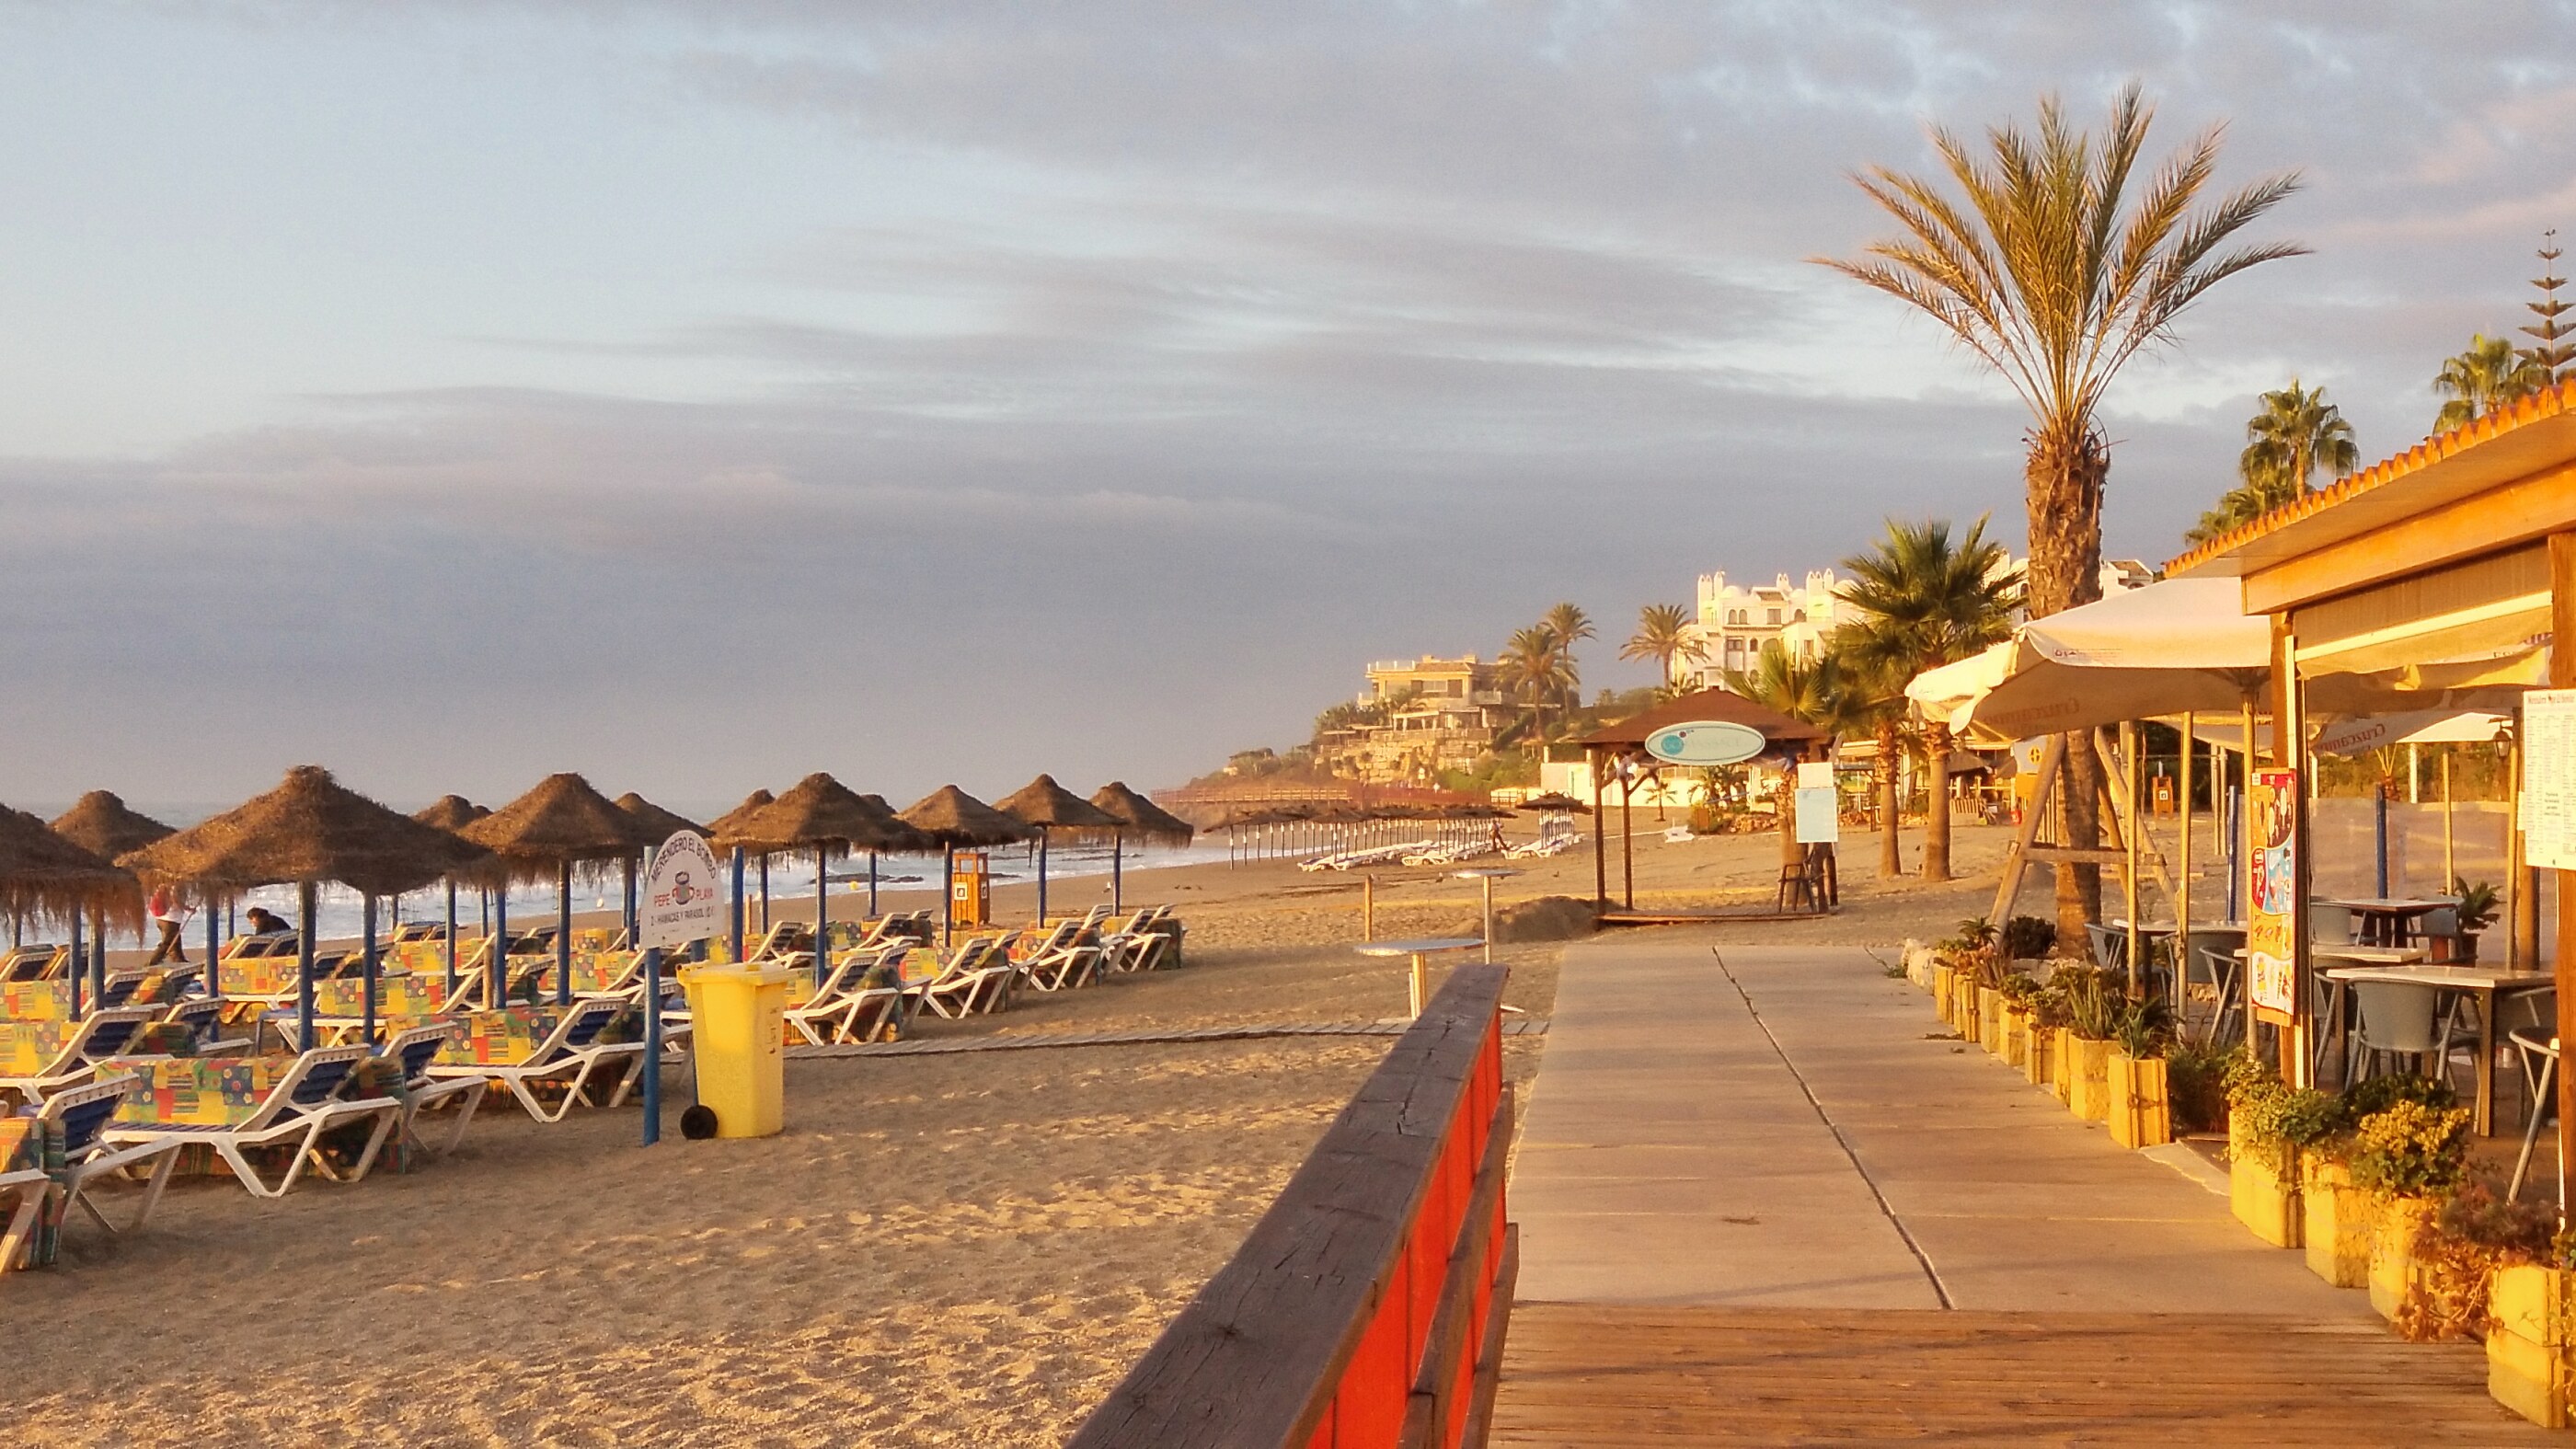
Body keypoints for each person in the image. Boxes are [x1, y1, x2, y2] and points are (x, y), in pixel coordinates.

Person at [145, 885, 191, 965]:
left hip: (164, 920)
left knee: (175, 942)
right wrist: (188, 909)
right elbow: (175, 901)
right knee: (167, 943)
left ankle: (179, 960)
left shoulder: (164, 886)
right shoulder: (173, 887)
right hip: (170, 920)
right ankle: (153, 962)